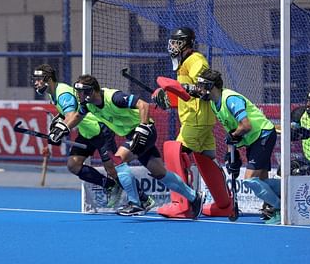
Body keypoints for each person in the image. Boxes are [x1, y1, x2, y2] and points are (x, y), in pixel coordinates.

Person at [50, 74, 205, 218]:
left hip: (144, 131)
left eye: (81, 92)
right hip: (132, 135)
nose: (79, 96)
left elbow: (143, 104)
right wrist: (65, 127)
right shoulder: (88, 105)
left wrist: (143, 127)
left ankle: (136, 203)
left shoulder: (114, 97)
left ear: (92, 91)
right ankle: (193, 196)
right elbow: (77, 116)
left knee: (118, 160)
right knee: (159, 172)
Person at [151, 27, 233, 218]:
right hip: (198, 119)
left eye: (177, 42)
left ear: (187, 44)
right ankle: (224, 205)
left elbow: (204, 87)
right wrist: (169, 97)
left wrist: (178, 87)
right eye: (171, 42)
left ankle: (182, 204)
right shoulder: (184, 63)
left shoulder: (195, 60)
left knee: (174, 151)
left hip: (196, 120)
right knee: (205, 159)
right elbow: (187, 95)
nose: (173, 46)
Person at [195, 68, 282, 224]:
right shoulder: (215, 104)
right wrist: (231, 155)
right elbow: (232, 132)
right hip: (253, 139)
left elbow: (245, 126)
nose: (199, 90)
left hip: (262, 134)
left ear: (211, 86)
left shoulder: (230, 99)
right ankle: (279, 201)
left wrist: (234, 136)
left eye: (202, 86)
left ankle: (280, 207)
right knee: (261, 178)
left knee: (249, 180)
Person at [31, 64, 123, 208]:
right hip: (86, 132)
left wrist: (60, 131)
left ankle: (137, 197)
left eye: (39, 79)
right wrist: (57, 127)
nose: (36, 82)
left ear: (48, 79)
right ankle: (110, 186)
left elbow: (71, 115)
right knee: (73, 165)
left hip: (99, 128)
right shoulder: (52, 93)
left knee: (111, 168)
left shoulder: (62, 93)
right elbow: (65, 115)